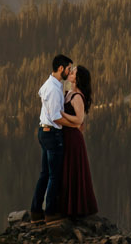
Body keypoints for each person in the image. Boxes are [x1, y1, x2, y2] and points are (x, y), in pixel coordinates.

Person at [30, 54, 72, 222]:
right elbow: (55, 117)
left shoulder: (49, 84)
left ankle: (36, 211)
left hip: (44, 132)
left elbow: (42, 95)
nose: (69, 73)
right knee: (55, 175)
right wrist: (73, 124)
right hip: (52, 133)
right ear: (60, 68)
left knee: (45, 174)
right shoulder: (54, 89)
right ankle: (50, 212)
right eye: (68, 69)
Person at [59, 64, 97, 219]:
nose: (70, 73)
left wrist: (61, 114)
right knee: (67, 170)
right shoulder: (69, 93)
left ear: (78, 78)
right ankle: (67, 208)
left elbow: (79, 119)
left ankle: (75, 209)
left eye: (73, 72)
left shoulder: (77, 97)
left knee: (72, 170)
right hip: (67, 135)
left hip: (73, 138)